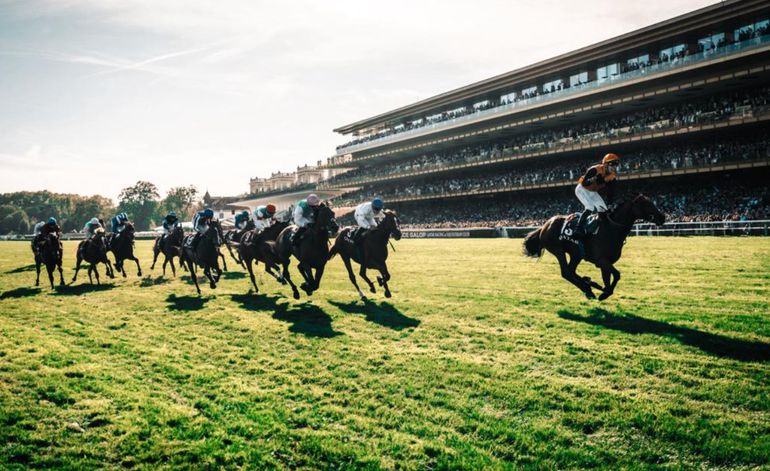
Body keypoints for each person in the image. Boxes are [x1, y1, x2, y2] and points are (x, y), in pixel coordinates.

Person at [573, 153, 619, 238]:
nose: (614, 167)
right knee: (590, 207)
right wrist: (595, 179)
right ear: (605, 164)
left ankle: (601, 230)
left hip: (592, 191)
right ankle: (578, 228)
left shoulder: (612, 177)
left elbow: (611, 192)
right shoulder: (595, 169)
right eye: (612, 164)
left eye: (616, 164)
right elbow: (584, 183)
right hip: (582, 188)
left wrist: (610, 203)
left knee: (604, 209)